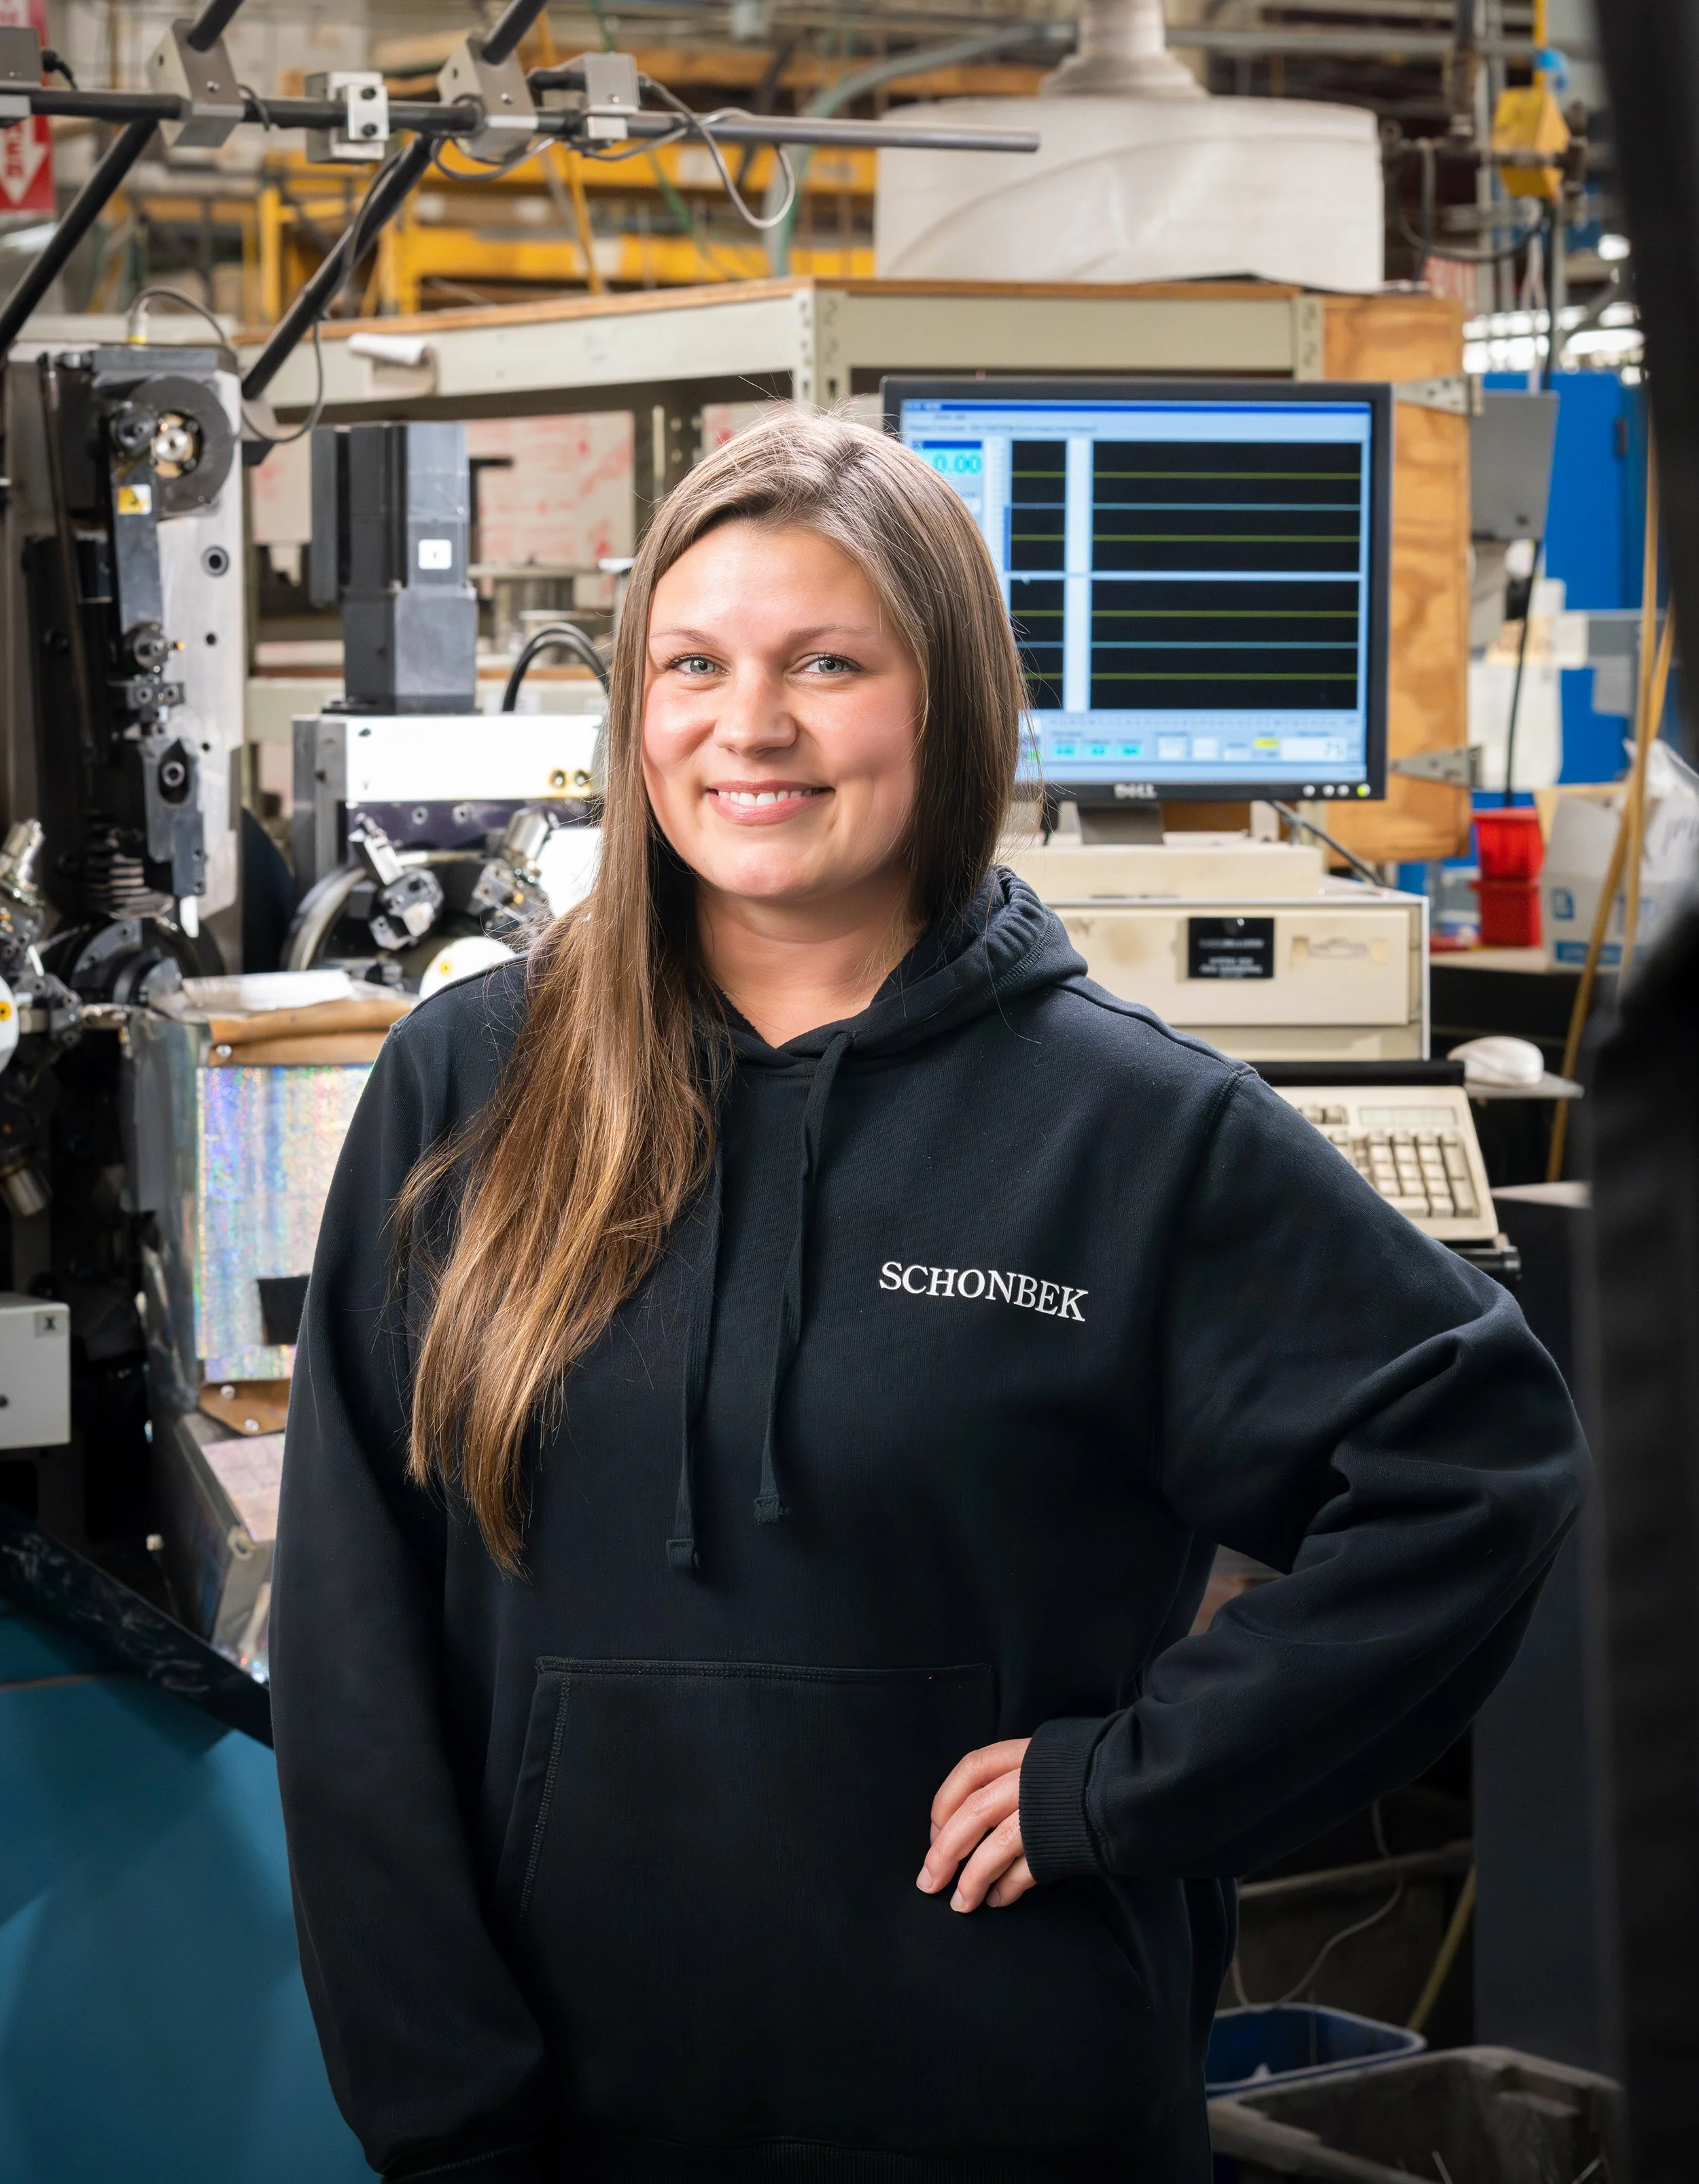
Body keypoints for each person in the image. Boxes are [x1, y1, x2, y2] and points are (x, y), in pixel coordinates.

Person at [272, 411, 1584, 2184]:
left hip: (1012, 2117)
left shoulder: (1127, 1128)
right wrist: (444, 2119)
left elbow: (1477, 1463)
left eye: (828, 662)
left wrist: (1121, 1785)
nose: (749, 725)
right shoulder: (474, 1083)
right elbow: (357, 1646)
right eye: (693, 661)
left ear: (947, 698)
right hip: (562, 2120)